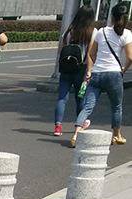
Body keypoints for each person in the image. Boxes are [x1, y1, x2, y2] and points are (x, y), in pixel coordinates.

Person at [71, 2, 132, 147]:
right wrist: (123, 69)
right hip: (114, 74)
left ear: (112, 17)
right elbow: (130, 57)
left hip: (97, 73)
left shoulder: (101, 32)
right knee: (116, 106)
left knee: (87, 106)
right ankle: (116, 135)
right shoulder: (127, 34)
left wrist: (90, 70)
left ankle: (76, 134)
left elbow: (91, 54)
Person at [54, 6, 95, 136]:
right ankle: (80, 123)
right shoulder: (92, 32)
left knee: (62, 98)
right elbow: (90, 54)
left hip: (66, 68)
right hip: (81, 69)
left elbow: (61, 49)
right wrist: (89, 71)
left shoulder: (69, 30)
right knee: (80, 98)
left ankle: (58, 127)